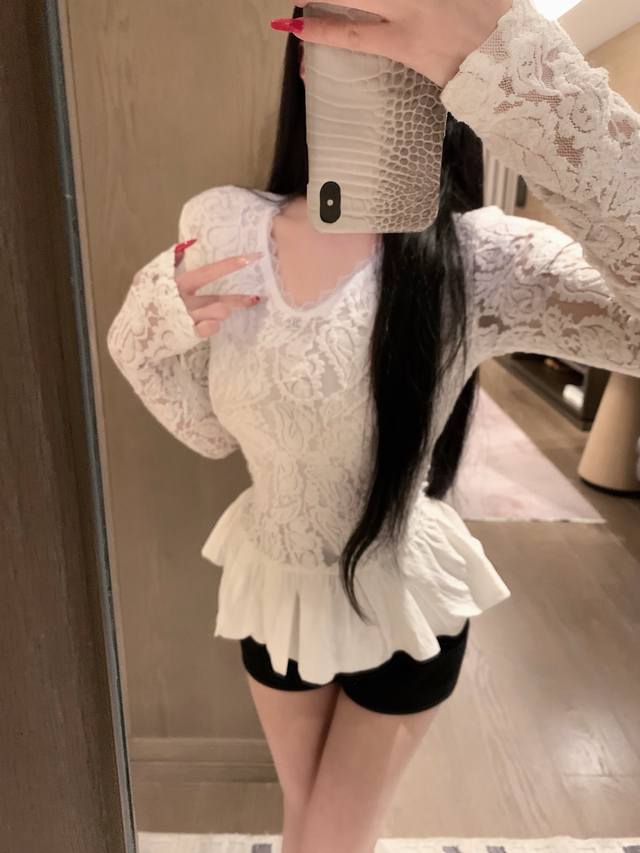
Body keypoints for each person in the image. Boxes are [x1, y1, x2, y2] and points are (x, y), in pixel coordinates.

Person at [107, 1, 640, 851]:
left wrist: (522, 78)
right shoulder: (223, 225)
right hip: (275, 595)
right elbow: (207, 429)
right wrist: (152, 317)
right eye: (346, 23)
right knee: (307, 828)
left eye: (406, 31)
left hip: (404, 603)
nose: (375, 50)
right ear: (304, 55)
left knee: (330, 840)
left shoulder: (482, 260)